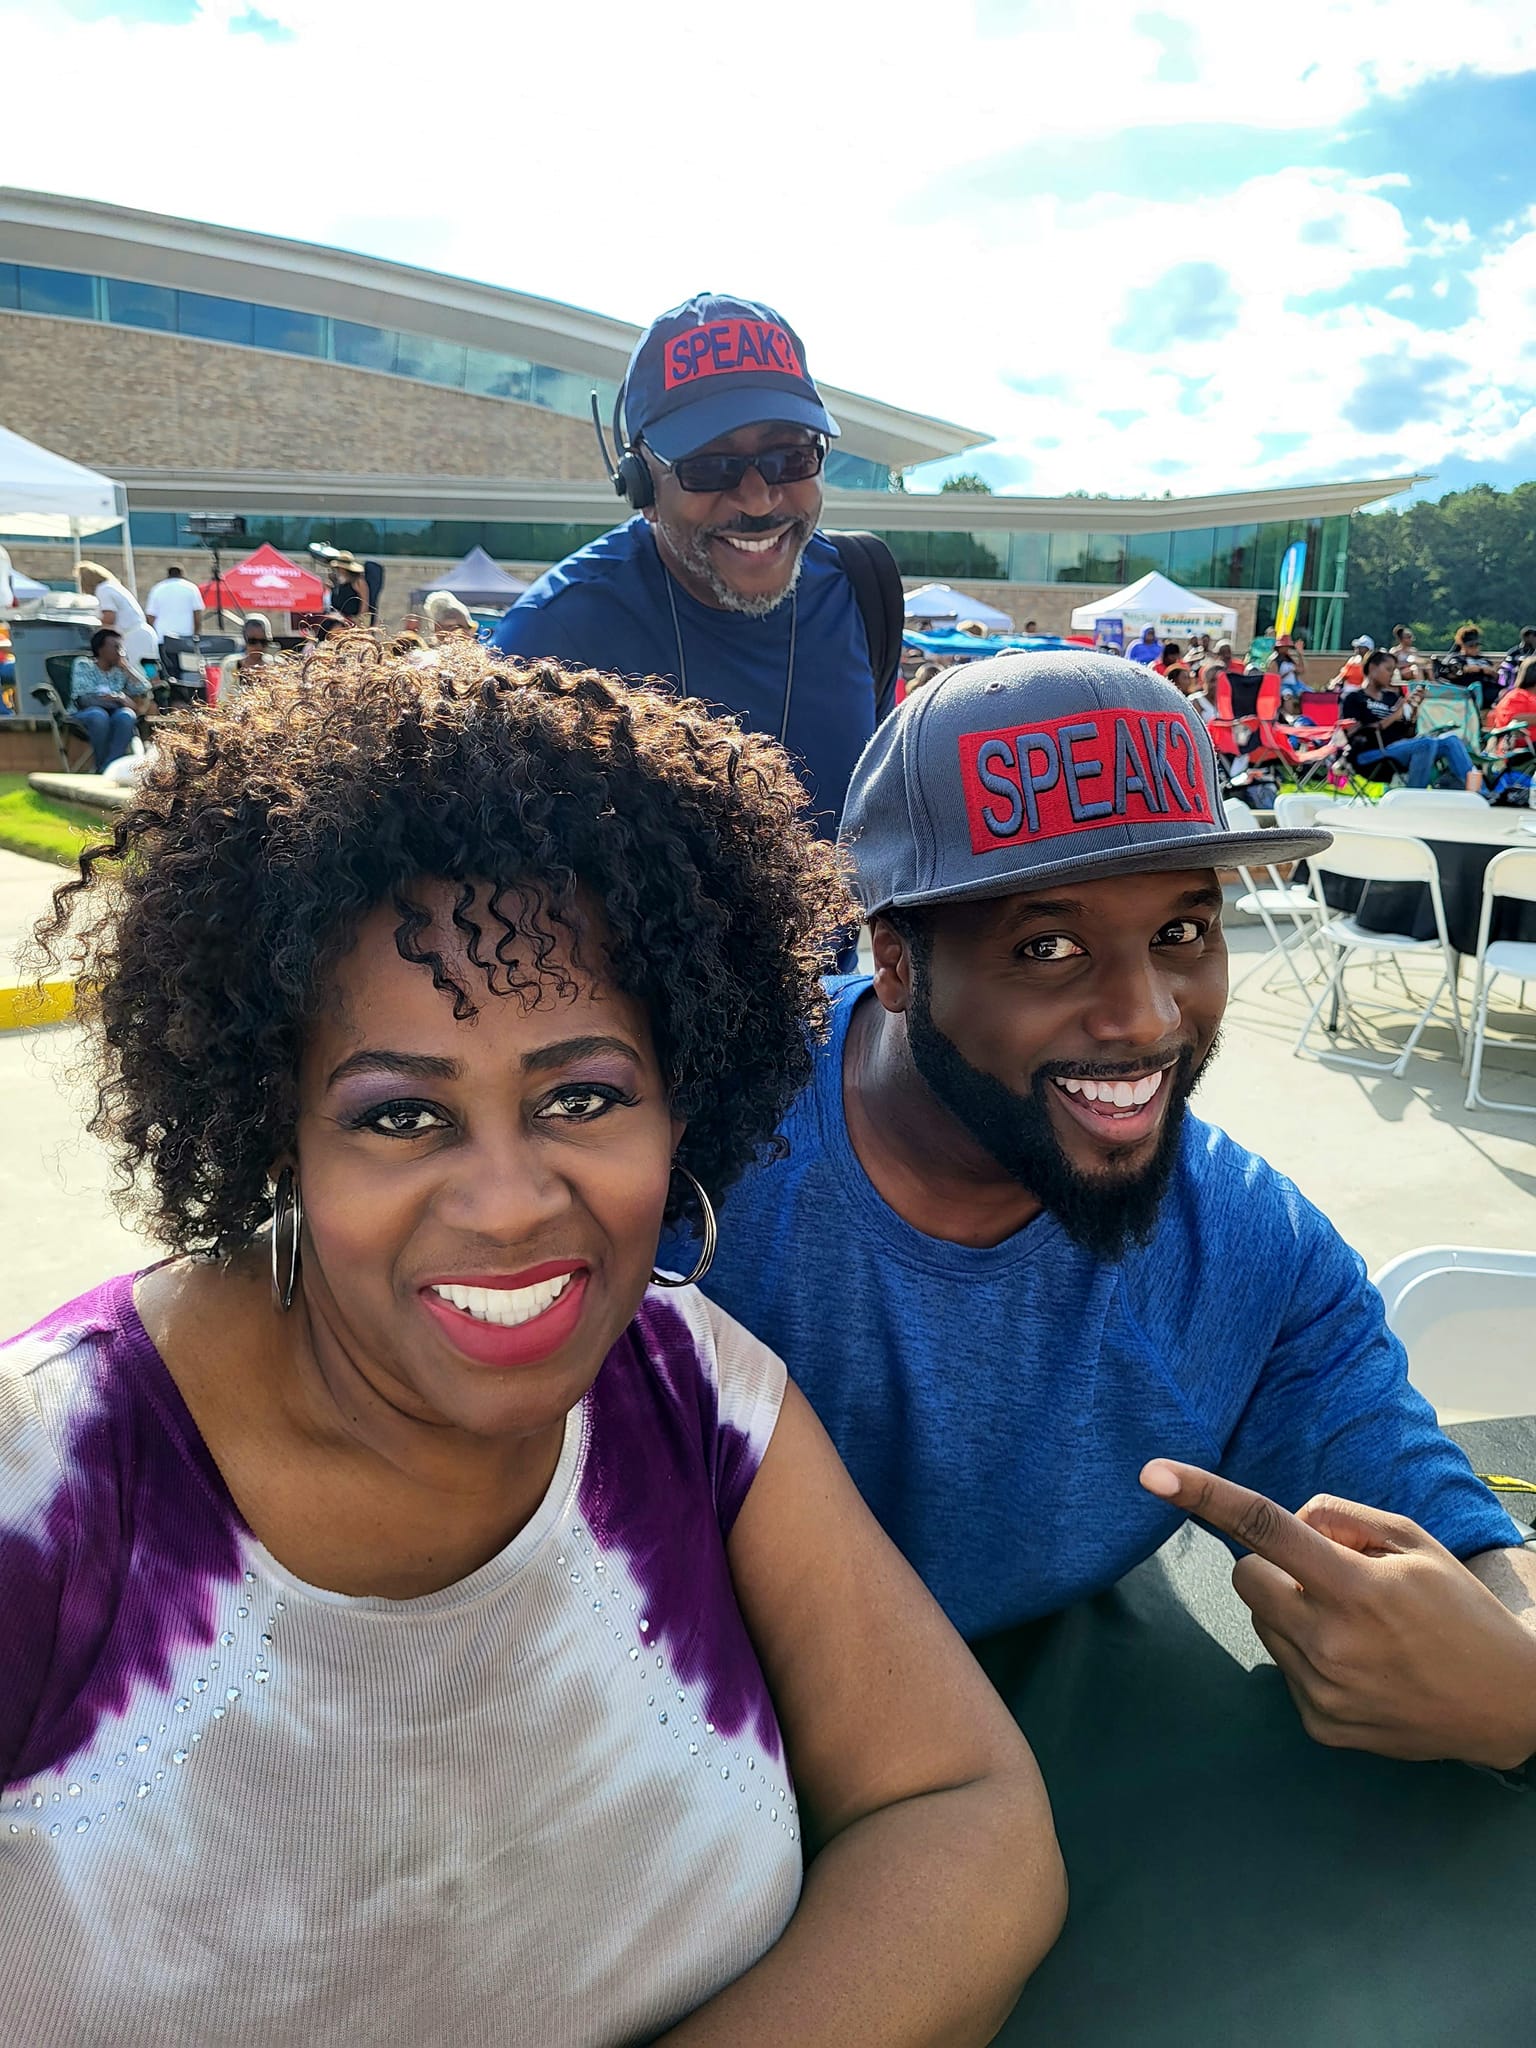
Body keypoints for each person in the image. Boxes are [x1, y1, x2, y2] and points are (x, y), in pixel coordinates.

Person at [4, 642, 1063, 2046]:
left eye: (581, 1097)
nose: (510, 1203)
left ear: (686, 1093)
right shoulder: (47, 1485)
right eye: (400, 1114)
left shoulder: (691, 1389)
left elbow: (966, 1812)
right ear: (275, 1128)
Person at [666, 651, 1536, 1778]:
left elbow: (1459, 1554)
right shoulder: (683, 1153)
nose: (1145, 1016)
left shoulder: (1246, 1251)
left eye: (1183, 930)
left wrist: (1512, 1687)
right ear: (893, 958)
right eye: (1048, 945)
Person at [491, 293, 897, 838]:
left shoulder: (863, 590)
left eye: (789, 457)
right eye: (710, 467)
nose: (758, 501)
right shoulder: (546, 643)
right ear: (640, 485)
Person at [1341, 647, 1483, 791]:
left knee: (1451, 740)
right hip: (1369, 754)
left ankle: (1482, 793)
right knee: (1425, 744)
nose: (1392, 674)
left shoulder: (1391, 698)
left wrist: (1414, 709)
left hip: (1399, 749)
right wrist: (1396, 715)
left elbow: (1408, 733)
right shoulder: (1354, 698)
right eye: (1388, 669)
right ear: (1372, 667)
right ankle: (1414, 796)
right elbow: (1355, 733)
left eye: (1394, 670)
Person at [68, 626, 149, 772]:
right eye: (116, 647)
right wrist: (119, 700)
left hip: (115, 713)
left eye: (122, 647)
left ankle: (108, 767)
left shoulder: (120, 671)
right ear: (101, 649)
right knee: (98, 715)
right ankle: (102, 765)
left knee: (126, 716)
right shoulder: (83, 665)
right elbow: (84, 698)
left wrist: (127, 668)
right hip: (85, 713)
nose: (121, 652)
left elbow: (144, 688)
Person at [76, 560, 158, 671]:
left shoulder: (103, 590)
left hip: (133, 637)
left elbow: (109, 617)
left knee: (136, 672)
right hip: (144, 634)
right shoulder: (113, 587)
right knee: (149, 670)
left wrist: (97, 636)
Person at [144, 563, 204, 689]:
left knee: (168, 672)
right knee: (187, 673)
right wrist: (197, 633)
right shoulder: (191, 588)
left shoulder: (158, 588)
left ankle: (171, 697)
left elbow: (150, 616)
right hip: (185, 639)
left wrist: (152, 635)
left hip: (163, 638)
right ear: (182, 574)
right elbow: (197, 614)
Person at [1441, 624, 1500, 712]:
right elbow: (1449, 671)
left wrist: (1492, 672)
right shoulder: (1456, 659)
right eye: (1471, 646)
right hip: (1468, 692)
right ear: (1463, 645)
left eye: (1477, 645)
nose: (1475, 648)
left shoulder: (1484, 660)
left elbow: (1497, 676)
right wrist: (1469, 669)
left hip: (1490, 690)